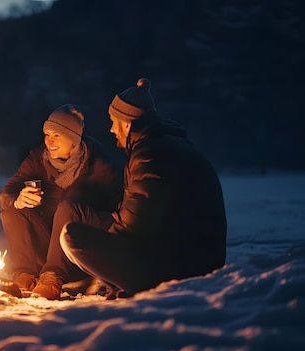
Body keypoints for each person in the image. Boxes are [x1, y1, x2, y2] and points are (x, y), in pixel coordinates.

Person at [36, 78, 227, 300]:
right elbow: (143, 215)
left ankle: (118, 281)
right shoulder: (162, 146)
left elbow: (134, 228)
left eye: (113, 121)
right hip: (177, 249)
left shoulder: (149, 156)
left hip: (180, 264)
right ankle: (59, 276)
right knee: (72, 211)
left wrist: (103, 258)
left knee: (73, 238)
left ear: (126, 123)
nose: (110, 129)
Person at [0, 104, 123, 297]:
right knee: (13, 209)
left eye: (57, 135)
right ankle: (24, 276)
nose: (49, 141)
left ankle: (52, 279)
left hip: (78, 256)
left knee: (67, 209)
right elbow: (5, 196)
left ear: (73, 138)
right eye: (47, 134)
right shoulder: (37, 159)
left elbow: (119, 219)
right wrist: (18, 200)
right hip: (45, 252)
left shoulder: (100, 167)